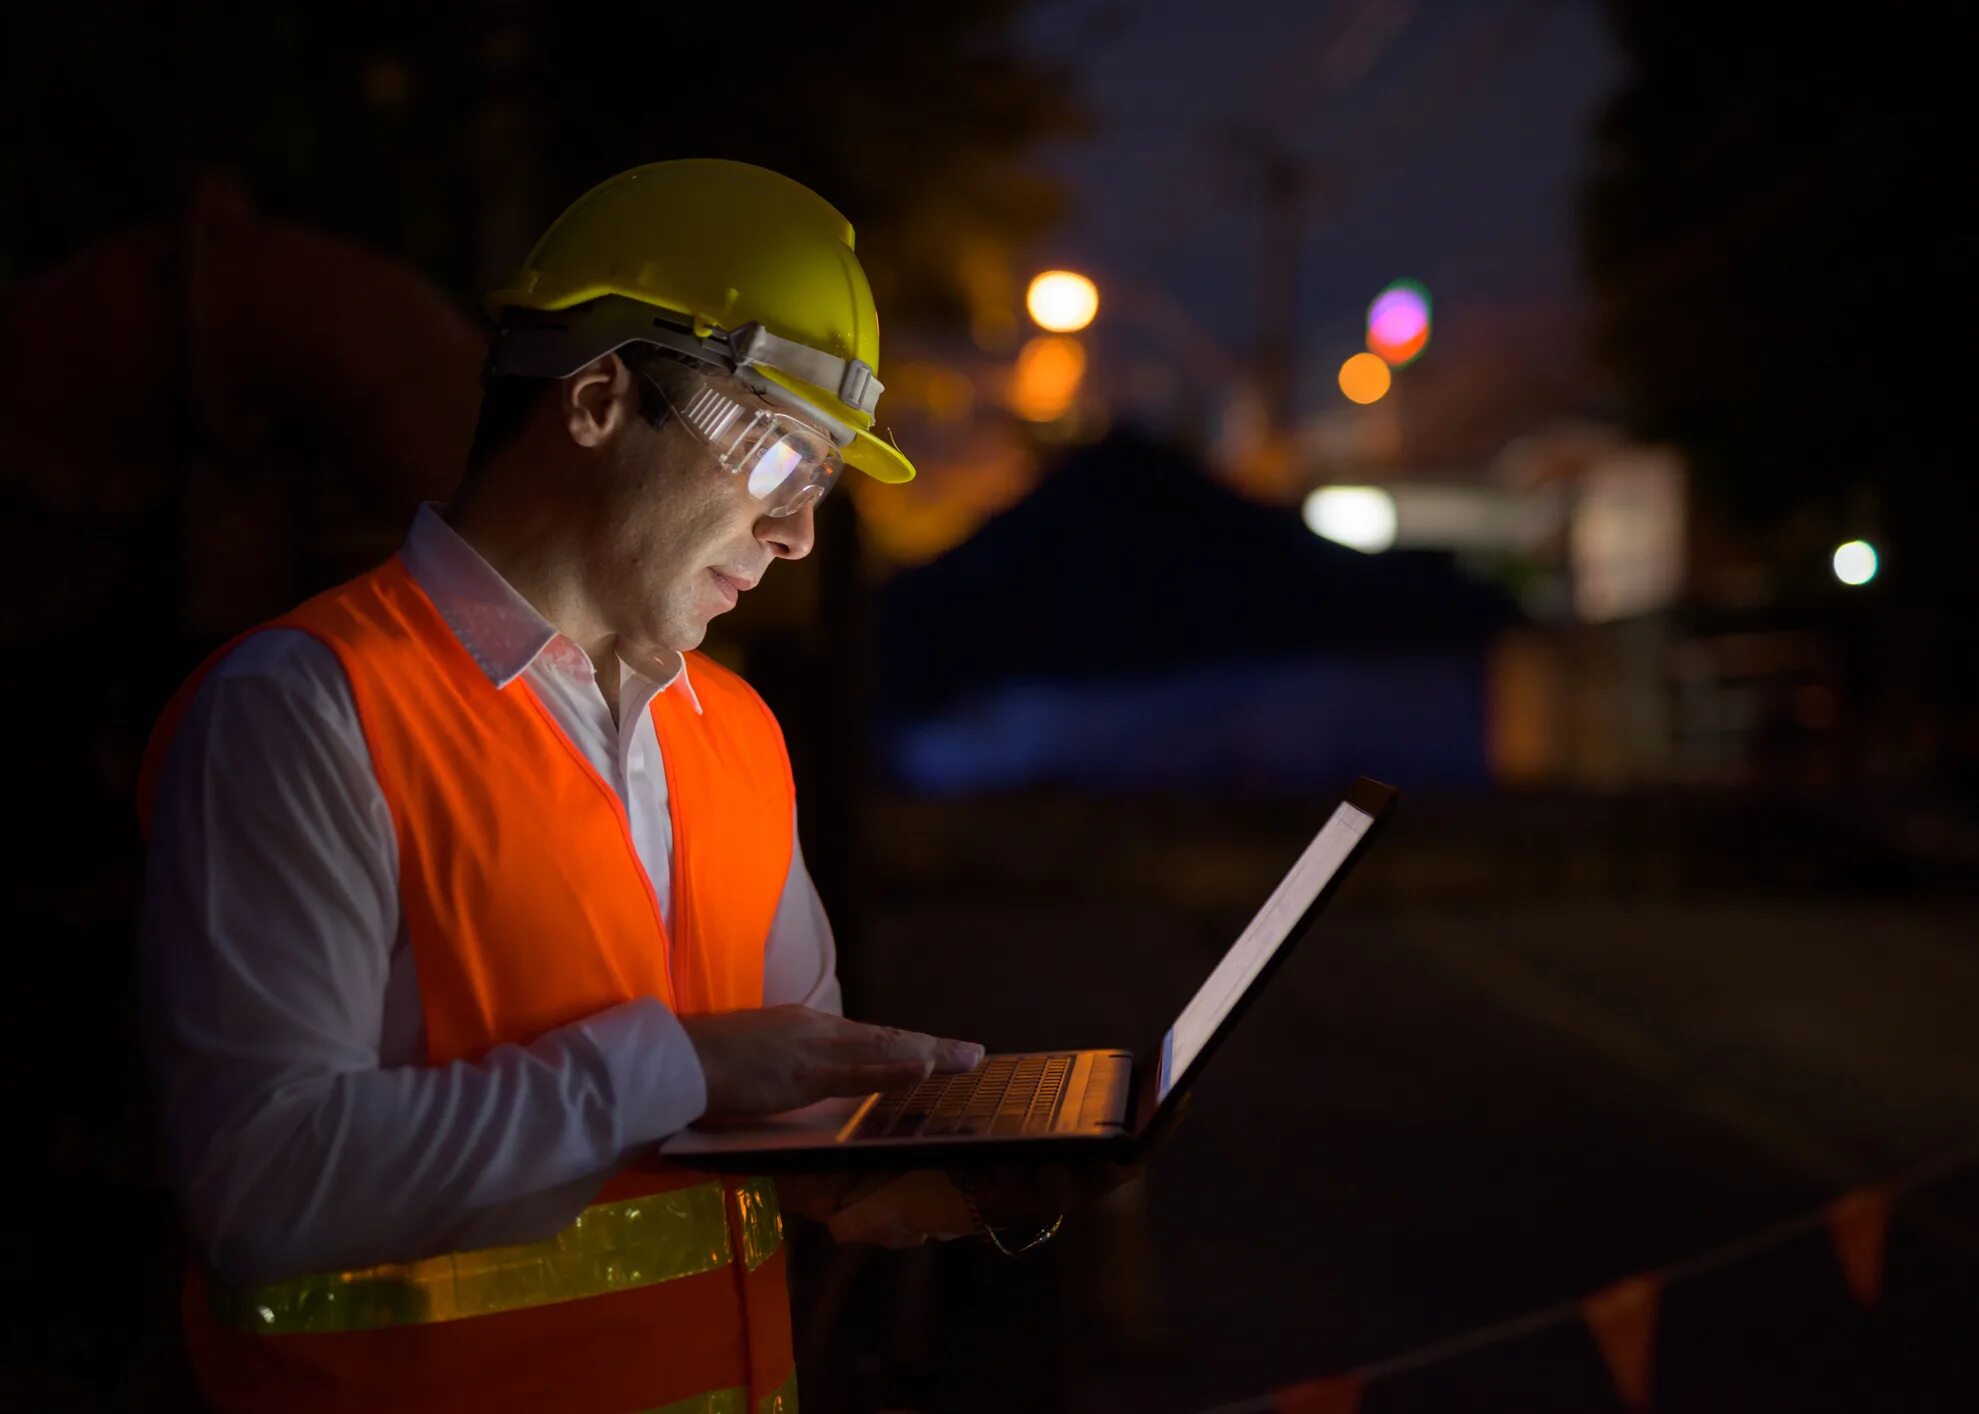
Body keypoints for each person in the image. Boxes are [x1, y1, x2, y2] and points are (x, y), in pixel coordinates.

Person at [136, 158, 1059, 1414]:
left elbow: (768, 1107)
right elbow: (261, 1186)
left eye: (823, 488)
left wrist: (913, 1170)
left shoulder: (734, 733)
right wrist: (672, 1067)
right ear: (597, 399)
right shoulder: (307, 710)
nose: (796, 534)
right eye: (782, 463)